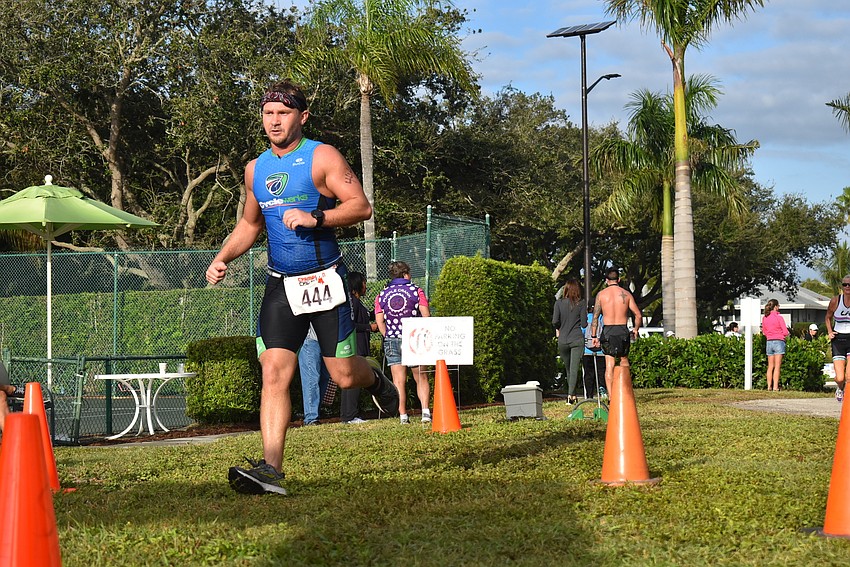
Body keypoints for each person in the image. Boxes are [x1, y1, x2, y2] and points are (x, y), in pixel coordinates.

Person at [205, 79, 399, 495]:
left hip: (326, 281)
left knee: (344, 376)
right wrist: (223, 258)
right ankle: (270, 469)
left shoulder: (321, 156)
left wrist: (319, 218)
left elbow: (361, 206)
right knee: (274, 371)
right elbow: (251, 224)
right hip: (281, 285)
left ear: (302, 117)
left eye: (283, 113)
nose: (274, 121)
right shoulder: (255, 169)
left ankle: (376, 380)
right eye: (268, 113)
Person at [375, 261, 431, 424]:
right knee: (421, 376)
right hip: (414, 337)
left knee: (398, 380)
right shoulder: (416, 291)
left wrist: (389, 335)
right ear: (406, 274)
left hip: (392, 338)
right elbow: (426, 316)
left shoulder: (382, 294)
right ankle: (426, 412)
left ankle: (403, 415)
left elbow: (379, 321)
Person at [590, 268, 642, 396]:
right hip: (622, 330)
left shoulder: (601, 295)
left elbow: (595, 317)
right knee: (624, 360)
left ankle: (612, 397)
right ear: (618, 280)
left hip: (608, 330)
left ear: (606, 280)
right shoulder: (626, 294)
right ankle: (626, 392)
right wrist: (635, 329)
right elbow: (638, 315)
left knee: (609, 365)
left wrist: (594, 336)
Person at [341, 271, 375, 424]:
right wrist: (370, 327)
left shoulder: (358, 302)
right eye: (364, 282)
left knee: (356, 380)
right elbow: (351, 324)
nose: (365, 286)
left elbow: (369, 315)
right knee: (353, 379)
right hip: (355, 346)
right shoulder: (352, 303)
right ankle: (350, 415)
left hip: (360, 345)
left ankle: (352, 413)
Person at [552, 278, 587, 404]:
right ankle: (570, 395)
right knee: (574, 368)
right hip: (576, 338)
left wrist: (559, 327)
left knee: (568, 369)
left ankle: (571, 394)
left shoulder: (559, 303)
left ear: (566, 289)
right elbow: (583, 324)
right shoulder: (581, 303)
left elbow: (555, 321)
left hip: (563, 340)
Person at [297, 325, 332, 426]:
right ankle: (311, 417)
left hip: (326, 340)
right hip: (310, 340)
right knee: (311, 378)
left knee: (325, 377)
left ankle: (315, 413)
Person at [825, 275, 850, 403]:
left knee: (849, 375)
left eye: (849, 285)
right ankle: (840, 388)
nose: (847, 287)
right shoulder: (835, 301)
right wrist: (829, 331)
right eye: (845, 285)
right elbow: (827, 317)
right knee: (840, 378)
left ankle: (848, 401)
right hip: (838, 339)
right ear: (842, 287)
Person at [761, 299, 788, 392]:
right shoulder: (779, 317)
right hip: (779, 341)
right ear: (776, 306)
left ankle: (769, 386)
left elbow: (764, 331)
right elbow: (785, 331)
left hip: (769, 341)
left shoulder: (765, 318)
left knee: (770, 366)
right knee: (777, 366)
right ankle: (775, 387)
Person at [582, 307, 606, 400]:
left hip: (587, 351)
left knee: (588, 373)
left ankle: (589, 395)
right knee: (601, 372)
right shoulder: (601, 318)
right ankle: (602, 391)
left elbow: (582, 332)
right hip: (600, 350)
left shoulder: (585, 318)